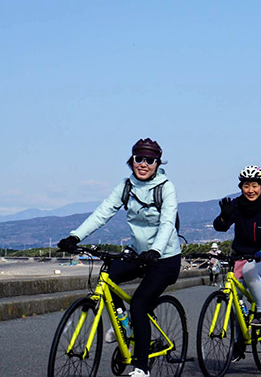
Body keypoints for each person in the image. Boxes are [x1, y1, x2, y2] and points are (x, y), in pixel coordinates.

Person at [57, 138, 181, 377]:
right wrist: (75, 237)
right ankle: (124, 325)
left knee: (139, 304)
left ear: (157, 163)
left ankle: (142, 368)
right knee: (108, 276)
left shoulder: (166, 187)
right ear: (132, 160)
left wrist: (155, 251)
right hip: (137, 253)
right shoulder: (126, 186)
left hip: (164, 258)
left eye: (150, 160)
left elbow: (167, 223)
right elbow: (102, 212)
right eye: (139, 159)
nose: (143, 164)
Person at [214, 165, 261, 362]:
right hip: (241, 255)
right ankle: (239, 341)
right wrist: (224, 216)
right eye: (246, 186)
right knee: (234, 299)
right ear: (241, 187)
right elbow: (220, 227)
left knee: (251, 271)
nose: (250, 190)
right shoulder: (237, 204)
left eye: (254, 185)